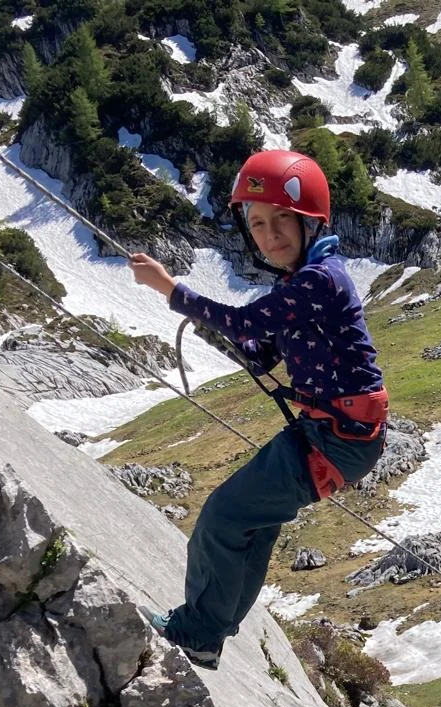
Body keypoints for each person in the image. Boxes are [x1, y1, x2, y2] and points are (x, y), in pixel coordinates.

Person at [127, 149, 387, 669]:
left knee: (224, 516)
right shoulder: (302, 283)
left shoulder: (321, 280)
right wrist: (236, 341)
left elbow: (246, 326)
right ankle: (210, 629)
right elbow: (262, 347)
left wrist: (170, 291)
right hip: (337, 432)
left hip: (336, 436)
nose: (270, 236)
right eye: (259, 225)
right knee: (251, 523)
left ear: (311, 221)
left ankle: (198, 631)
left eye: (282, 220)